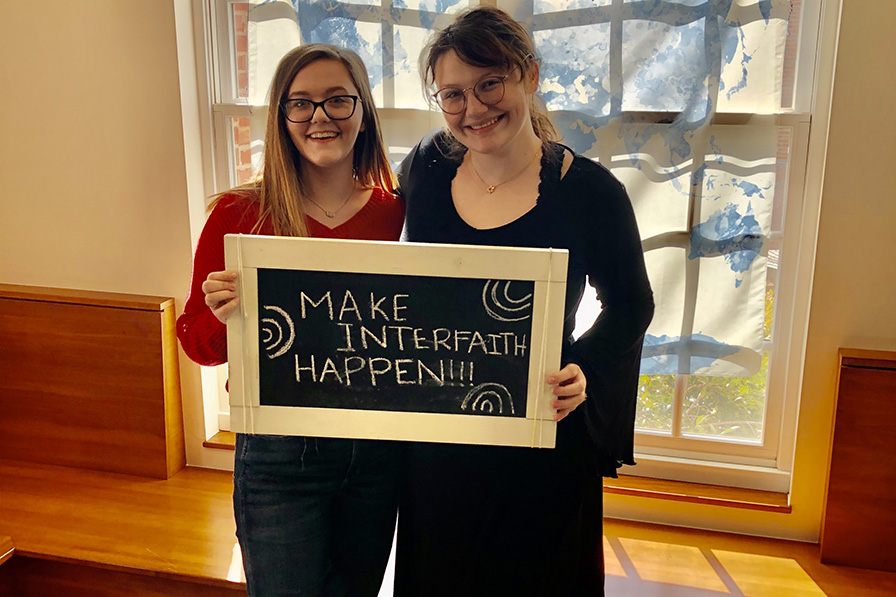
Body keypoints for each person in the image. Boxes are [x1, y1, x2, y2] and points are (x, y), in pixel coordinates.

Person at [394, 7, 654, 596]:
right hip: (439, 439)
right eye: (453, 94)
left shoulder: (590, 192)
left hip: (541, 435)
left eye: (490, 83)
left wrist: (582, 371)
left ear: (529, 75)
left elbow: (631, 305)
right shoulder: (425, 172)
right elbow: (368, 261)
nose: (474, 108)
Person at [176, 44, 404, 597]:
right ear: (281, 117)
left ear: (363, 111)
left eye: (336, 101)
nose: (319, 117)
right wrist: (218, 312)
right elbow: (199, 347)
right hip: (279, 451)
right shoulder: (237, 214)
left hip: (375, 446)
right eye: (300, 104)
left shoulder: (398, 213)